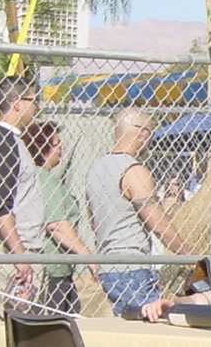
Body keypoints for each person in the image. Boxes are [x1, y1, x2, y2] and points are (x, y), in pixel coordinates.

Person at [86, 106, 184, 310]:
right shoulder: (134, 171)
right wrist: (189, 255)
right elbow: (158, 223)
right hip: (132, 268)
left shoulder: (96, 167)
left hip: (107, 266)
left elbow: (92, 218)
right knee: (154, 318)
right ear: (142, 134)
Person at [23, 121, 96, 315]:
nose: (62, 147)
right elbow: (56, 225)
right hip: (52, 271)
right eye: (56, 144)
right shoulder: (44, 179)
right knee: (54, 321)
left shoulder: (39, 177)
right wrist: (89, 257)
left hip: (60, 268)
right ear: (43, 148)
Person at [0, 75, 40, 298]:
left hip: (15, 249)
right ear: (17, 103)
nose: (37, 107)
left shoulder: (8, 140)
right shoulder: (3, 142)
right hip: (7, 251)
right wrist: (20, 256)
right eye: (33, 101)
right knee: (11, 315)